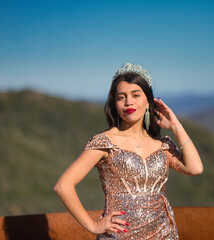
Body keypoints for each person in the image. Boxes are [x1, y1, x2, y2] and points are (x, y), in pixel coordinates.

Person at [54, 62, 203, 239]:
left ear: (148, 101)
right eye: (121, 97)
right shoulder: (105, 142)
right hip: (121, 235)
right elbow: (63, 186)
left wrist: (176, 126)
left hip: (163, 233)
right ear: (114, 103)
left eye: (135, 95)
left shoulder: (162, 145)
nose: (128, 102)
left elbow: (195, 168)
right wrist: (93, 226)